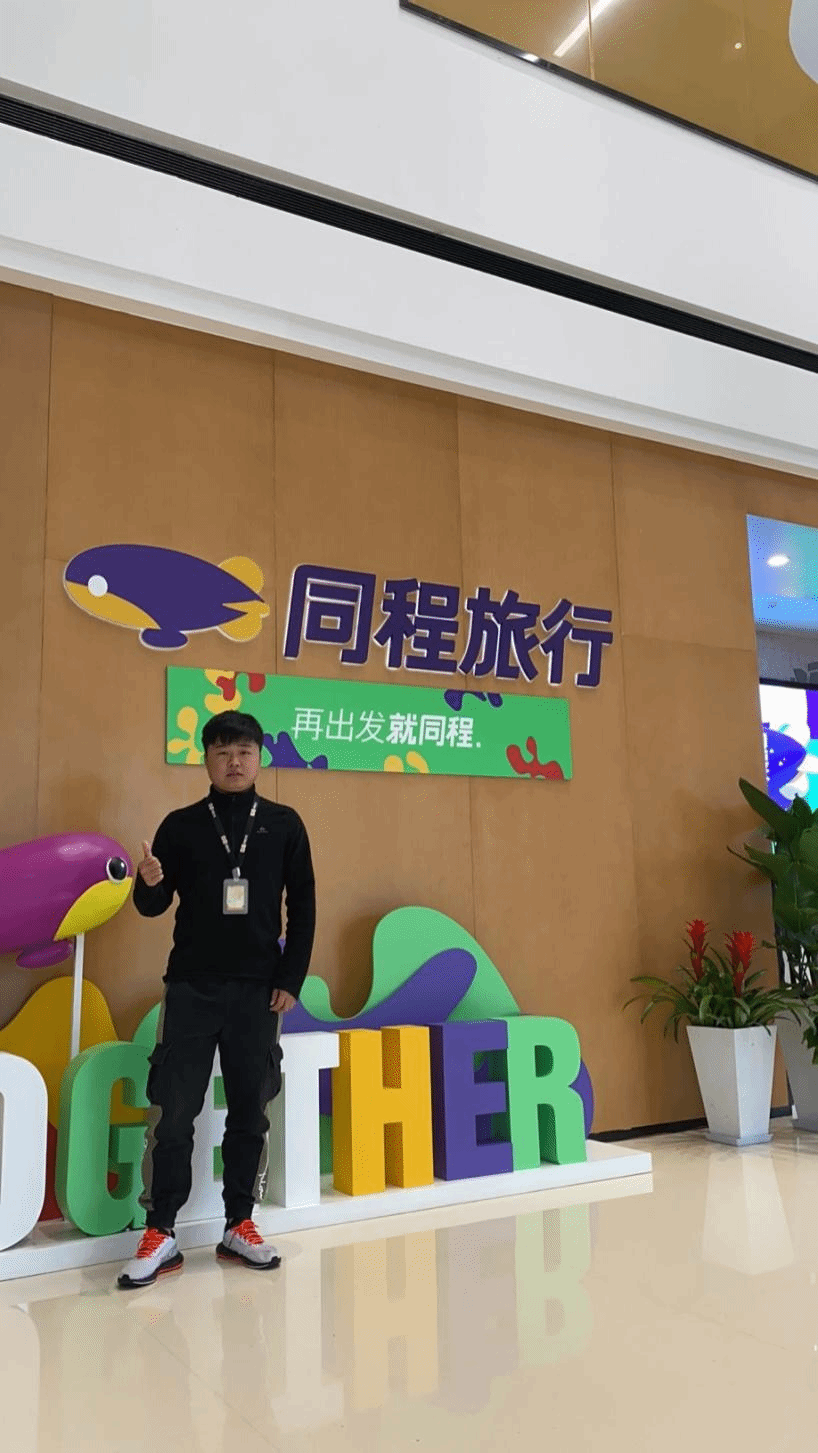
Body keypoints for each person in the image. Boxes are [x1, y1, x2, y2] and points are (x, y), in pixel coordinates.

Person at [117, 710, 316, 1289]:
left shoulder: (284, 824)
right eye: (223, 751)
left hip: (260, 993)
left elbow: (303, 905)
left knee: (252, 1109)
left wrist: (291, 978)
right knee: (173, 1109)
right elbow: (154, 907)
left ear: (260, 758)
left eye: (245, 751)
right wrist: (148, 883)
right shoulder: (181, 826)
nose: (234, 761)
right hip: (191, 988)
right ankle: (161, 1231)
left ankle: (239, 1224)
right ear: (205, 758)